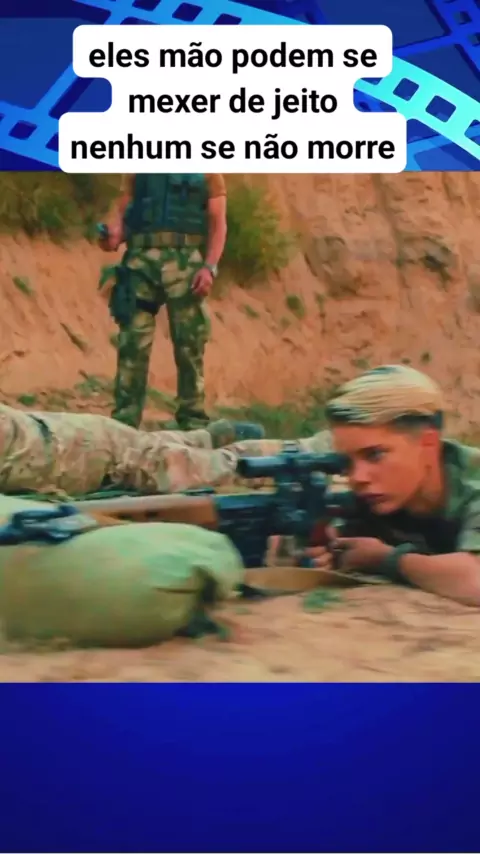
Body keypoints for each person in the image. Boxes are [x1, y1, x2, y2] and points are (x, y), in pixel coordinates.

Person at [98, 172, 261, 442]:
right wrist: (112, 236)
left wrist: (209, 267)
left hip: (185, 264)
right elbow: (124, 219)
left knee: (189, 344)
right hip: (140, 264)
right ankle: (124, 425)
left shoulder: (207, 171)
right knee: (132, 344)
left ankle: (193, 424)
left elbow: (218, 224)